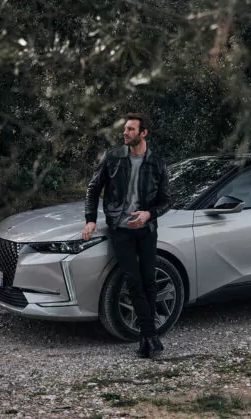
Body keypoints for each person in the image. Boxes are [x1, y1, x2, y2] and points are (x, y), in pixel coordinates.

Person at [83, 112, 171, 358]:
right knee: (133, 281)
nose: (125, 133)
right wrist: (90, 220)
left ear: (143, 133)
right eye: (125, 129)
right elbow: (93, 188)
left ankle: (147, 337)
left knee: (149, 282)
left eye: (131, 129)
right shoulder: (113, 158)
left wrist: (149, 214)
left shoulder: (157, 163)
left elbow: (166, 200)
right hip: (120, 229)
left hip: (146, 230)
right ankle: (151, 335)